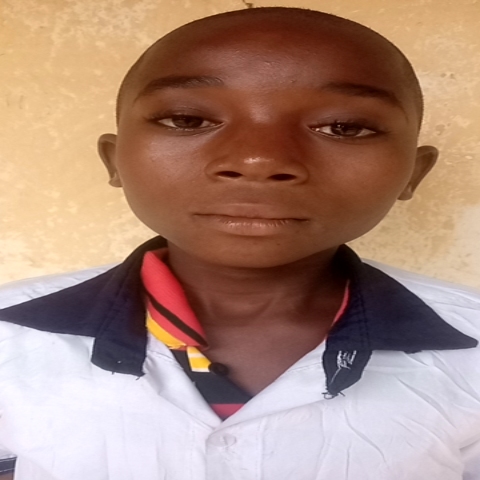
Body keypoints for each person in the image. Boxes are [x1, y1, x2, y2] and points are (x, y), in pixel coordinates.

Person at [0, 6, 479, 480]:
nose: (258, 159)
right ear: (115, 160)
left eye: (344, 127)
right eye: (187, 119)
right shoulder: (9, 337)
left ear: (413, 172)